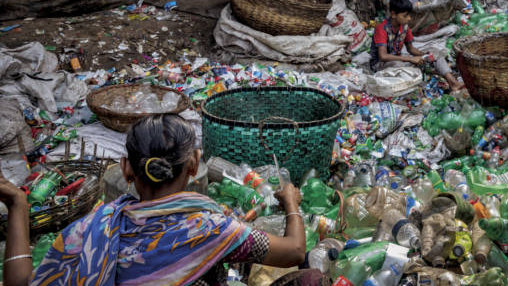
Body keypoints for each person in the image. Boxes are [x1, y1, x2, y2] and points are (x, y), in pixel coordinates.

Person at [0, 114, 311, 286]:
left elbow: (21, 284)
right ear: (194, 165)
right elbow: (295, 251)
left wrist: (19, 204)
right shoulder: (212, 229)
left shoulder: (94, 229)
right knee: (311, 281)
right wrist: (291, 202)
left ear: (125, 168)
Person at [369, 0, 463, 91]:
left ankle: (453, 82)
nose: (409, 18)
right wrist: (410, 59)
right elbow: (382, 56)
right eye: (405, 16)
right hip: (381, 64)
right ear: (393, 14)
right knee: (398, 65)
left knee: (434, 51)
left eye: (409, 15)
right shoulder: (382, 29)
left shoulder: (404, 26)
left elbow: (411, 49)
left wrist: (425, 55)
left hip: (399, 58)